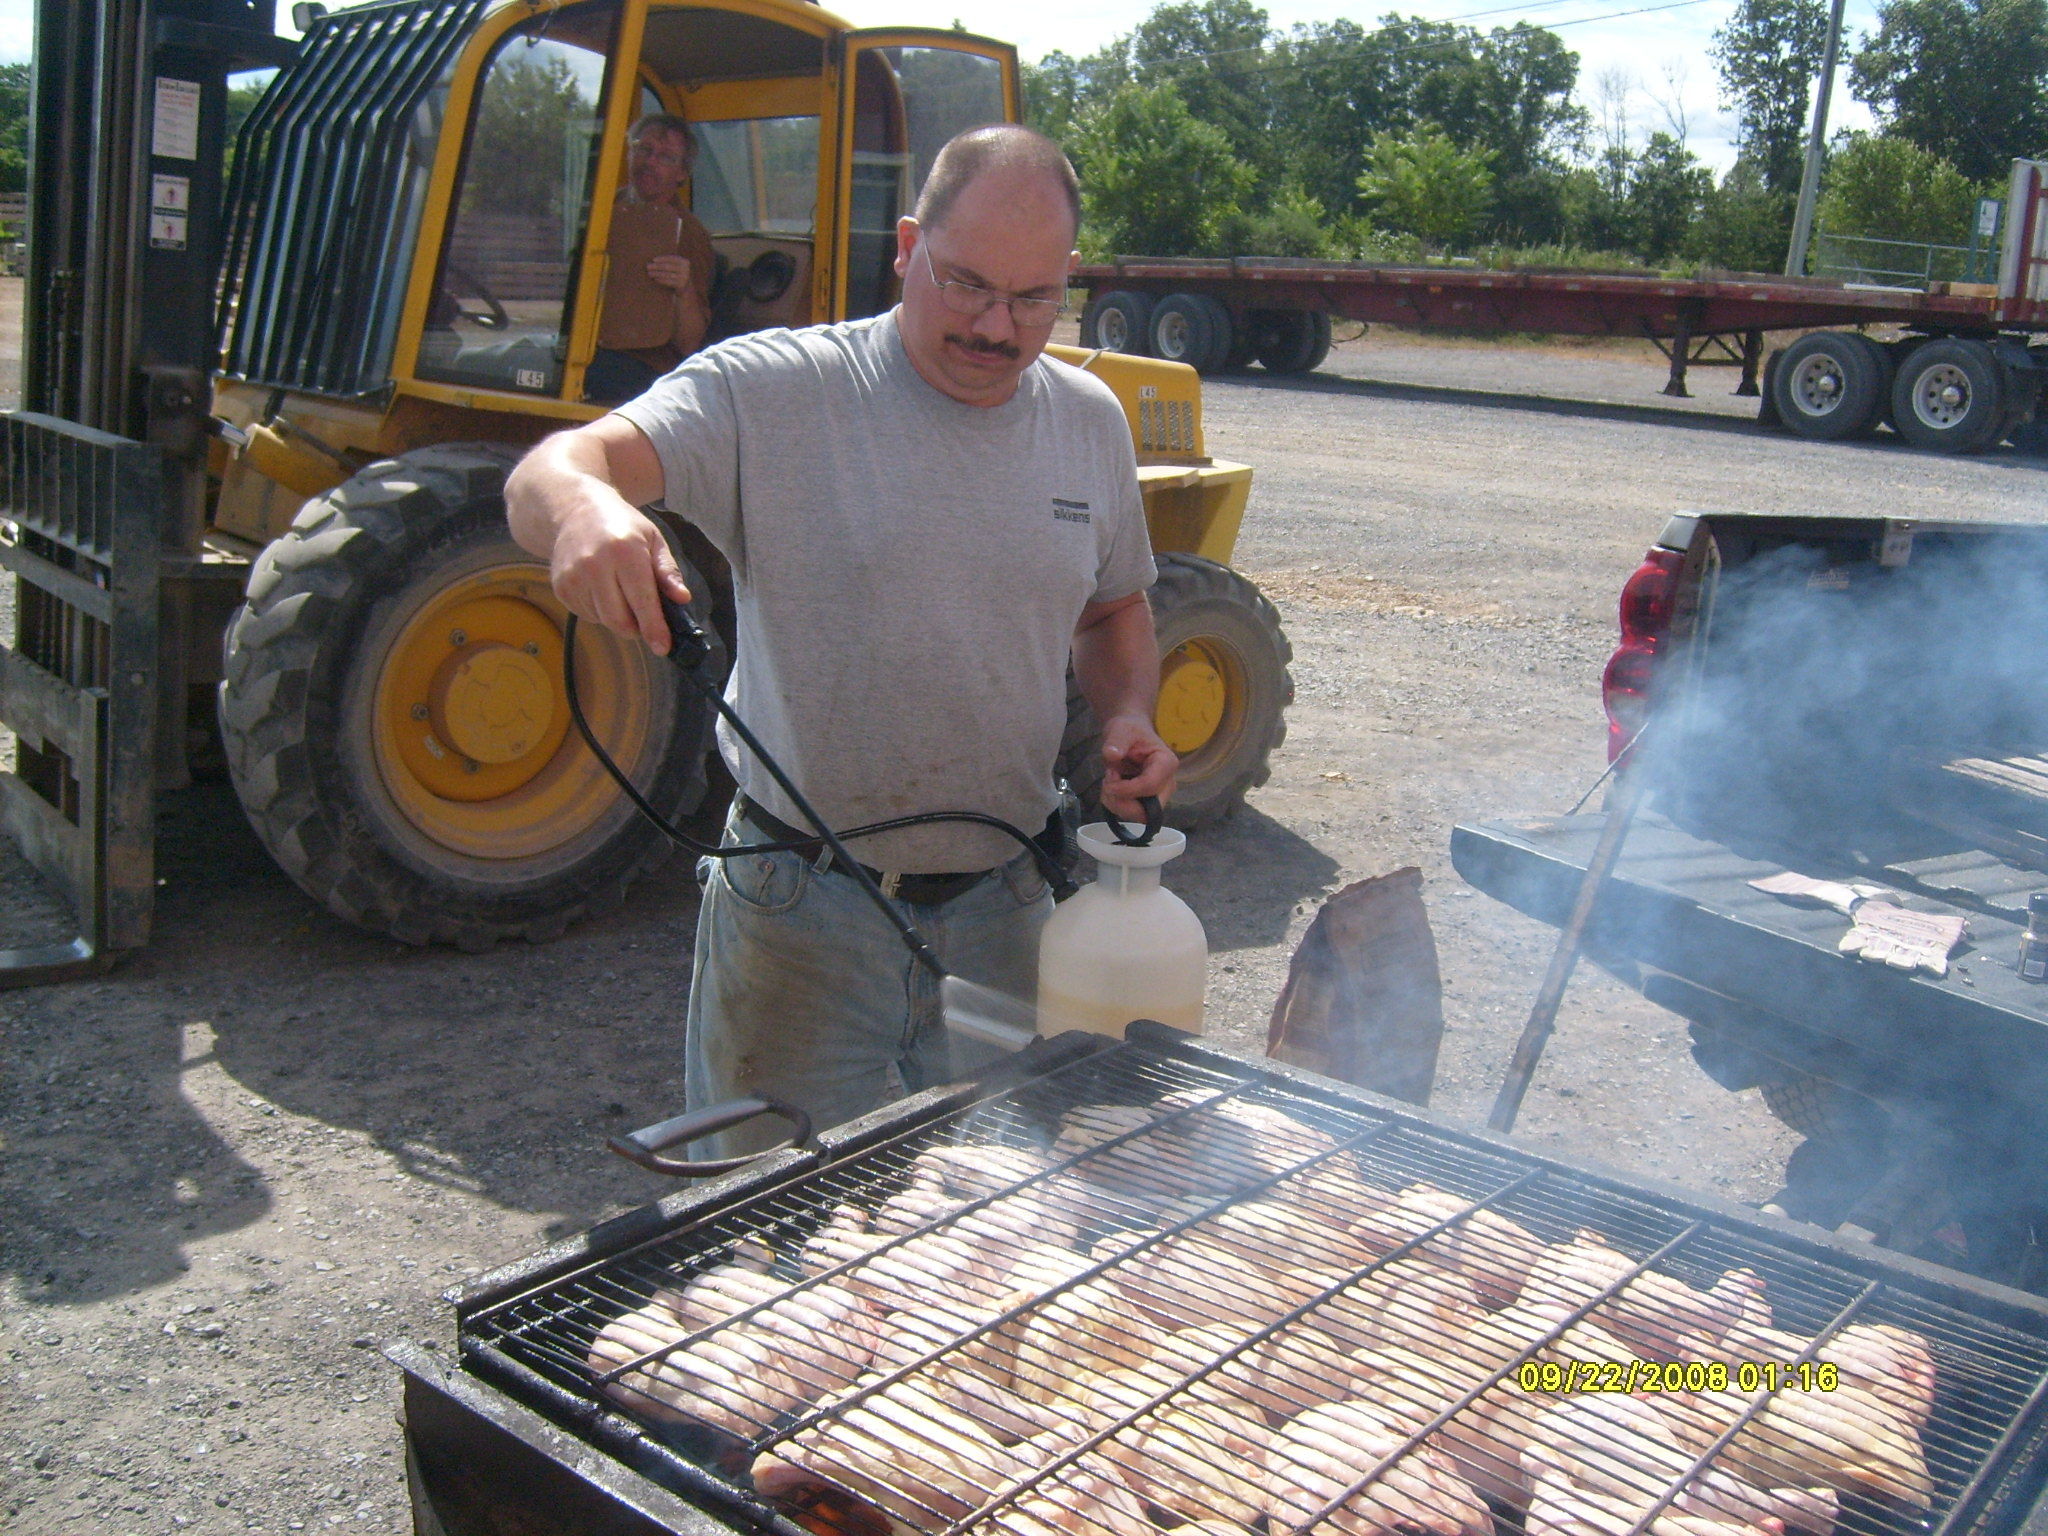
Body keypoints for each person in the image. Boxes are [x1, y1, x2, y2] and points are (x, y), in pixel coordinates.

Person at [506, 124, 1176, 1153]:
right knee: (766, 1245)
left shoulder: (1087, 422)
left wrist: (1128, 712)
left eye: (1032, 298)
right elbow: (555, 466)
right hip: (800, 912)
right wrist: (583, 513)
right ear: (907, 246)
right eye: (965, 285)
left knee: (983, 1239)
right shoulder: (774, 392)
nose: (997, 327)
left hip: (1005, 912)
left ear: (1068, 280)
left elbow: (1112, 606)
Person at [585, 113, 718, 403]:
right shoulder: (604, 210)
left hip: (645, 367)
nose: (650, 162)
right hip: (588, 347)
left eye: (666, 157)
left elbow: (689, 344)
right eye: (644, 150)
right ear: (630, 152)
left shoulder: (689, 235)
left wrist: (683, 290)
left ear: (682, 173)